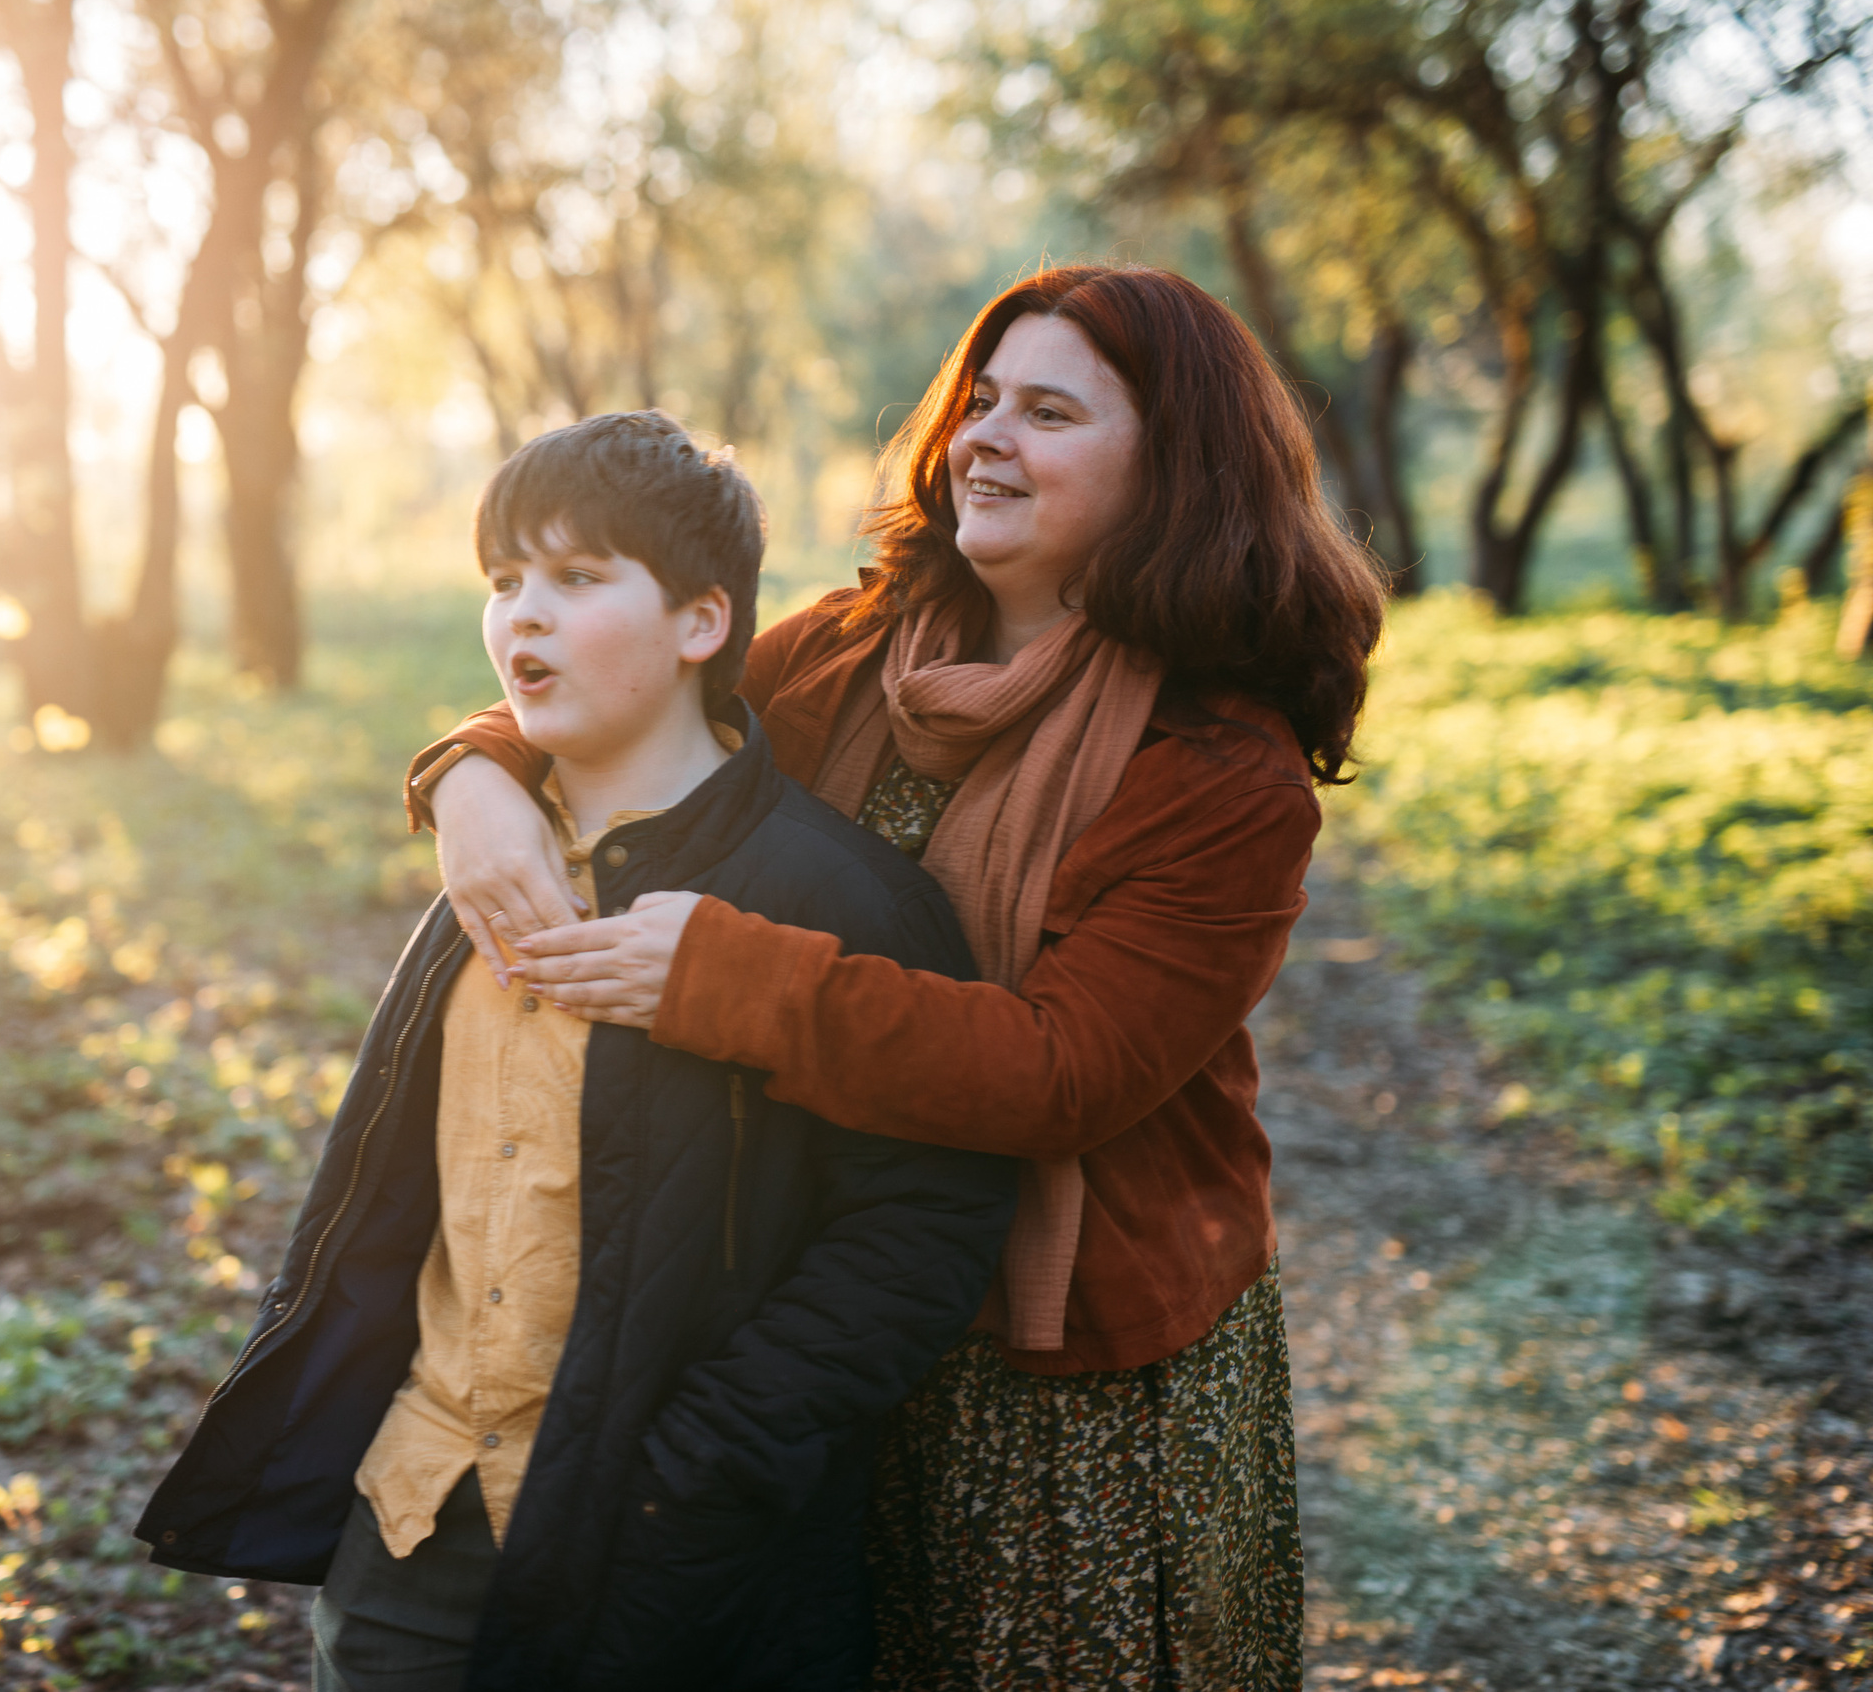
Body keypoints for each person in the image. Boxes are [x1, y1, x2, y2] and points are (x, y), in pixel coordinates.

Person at [408, 265, 1390, 1689]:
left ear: (1177, 470)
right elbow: (615, 684)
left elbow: (1065, 1071)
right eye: (980, 400)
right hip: (825, 1281)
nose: (986, 436)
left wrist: (728, 976)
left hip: (1070, 1358)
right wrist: (473, 775)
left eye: (1048, 411)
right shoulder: (854, 652)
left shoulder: (1219, 765)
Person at [134, 411, 1017, 1692]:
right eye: (504, 582)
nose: (521, 619)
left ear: (702, 624)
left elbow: (923, 1220)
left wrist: (702, 1466)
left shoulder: (836, 897)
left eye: (578, 578)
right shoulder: (484, 866)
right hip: (413, 1525)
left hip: (668, 1557)